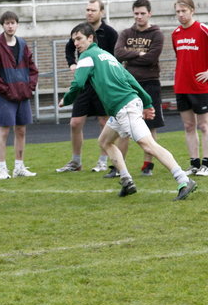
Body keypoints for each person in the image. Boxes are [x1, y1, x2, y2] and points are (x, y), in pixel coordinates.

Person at [60, 22, 197, 201]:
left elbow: (78, 84)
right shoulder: (106, 55)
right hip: (124, 107)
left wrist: (66, 100)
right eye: (74, 40)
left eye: (79, 39)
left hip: (124, 107)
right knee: (105, 141)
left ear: (91, 38)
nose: (76, 44)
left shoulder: (87, 56)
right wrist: (147, 102)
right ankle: (126, 180)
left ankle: (183, 180)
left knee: (149, 145)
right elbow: (129, 78)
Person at [57, 0, 119, 174]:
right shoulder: (80, 32)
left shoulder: (110, 33)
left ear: (102, 12)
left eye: (93, 10)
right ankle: (76, 161)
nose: (89, 13)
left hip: (102, 85)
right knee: (75, 123)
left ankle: (102, 161)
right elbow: (69, 48)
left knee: (104, 122)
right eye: (87, 10)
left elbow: (115, 56)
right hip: (84, 85)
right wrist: (72, 64)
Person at [114, 0, 165, 176]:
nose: (139, 17)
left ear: (149, 13)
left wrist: (131, 57)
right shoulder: (126, 33)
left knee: (150, 126)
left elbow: (151, 58)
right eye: (136, 13)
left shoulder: (156, 34)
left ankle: (147, 166)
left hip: (150, 82)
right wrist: (138, 53)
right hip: (129, 86)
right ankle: (119, 167)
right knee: (124, 128)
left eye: (143, 13)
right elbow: (118, 53)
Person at [0, 11, 39, 180]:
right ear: (2, 25)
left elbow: (32, 68)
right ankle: (2, 168)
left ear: (17, 24)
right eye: (7, 23)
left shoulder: (23, 44)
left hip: (22, 94)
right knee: (4, 131)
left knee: (21, 130)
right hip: (5, 96)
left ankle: (19, 166)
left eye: (13, 23)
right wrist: (6, 90)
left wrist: (29, 87)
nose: (10, 26)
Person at [172, 0, 208, 176]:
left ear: (192, 11)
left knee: (204, 125)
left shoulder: (203, 30)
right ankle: (194, 163)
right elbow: (181, 58)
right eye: (178, 12)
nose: (181, 15)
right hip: (181, 85)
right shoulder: (176, 33)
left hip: (201, 86)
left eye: (184, 11)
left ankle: (207, 164)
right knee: (188, 125)